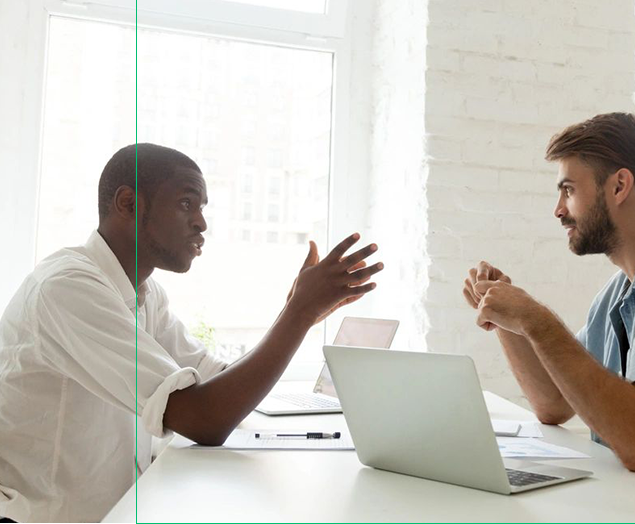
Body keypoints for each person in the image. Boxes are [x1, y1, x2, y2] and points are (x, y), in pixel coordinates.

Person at [0, 143, 383, 523]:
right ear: (129, 204)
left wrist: (295, 313)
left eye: (201, 208)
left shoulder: (144, 295)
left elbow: (217, 382)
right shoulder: (68, 288)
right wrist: (299, 312)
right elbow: (203, 419)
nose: (201, 222)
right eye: (187, 204)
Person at [462, 113, 635, 487]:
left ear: (620, 186)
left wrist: (534, 319)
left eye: (569, 190)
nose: (559, 209)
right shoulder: (618, 289)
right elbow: (553, 403)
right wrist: (505, 316)